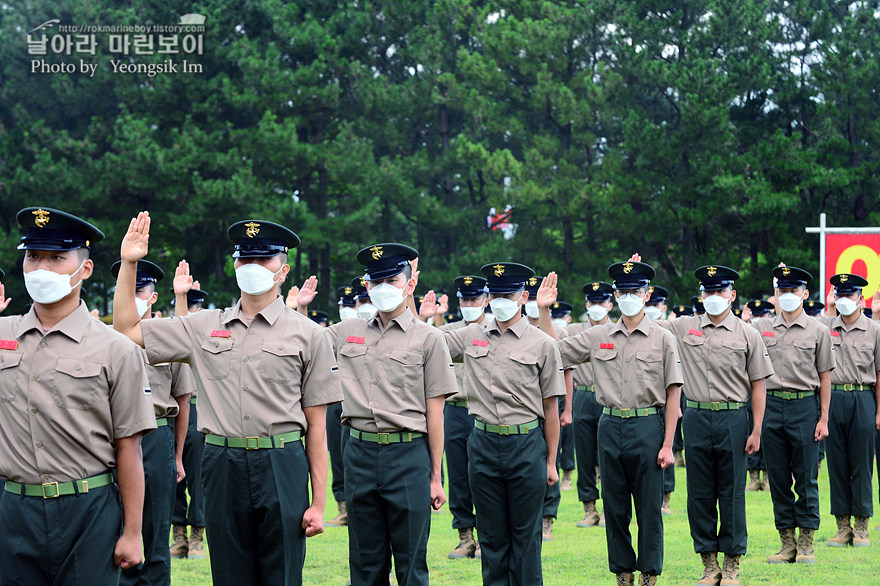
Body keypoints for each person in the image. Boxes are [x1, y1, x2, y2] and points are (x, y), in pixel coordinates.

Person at [113, 212, 342, 586]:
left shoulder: (310, 335)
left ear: (282, 271)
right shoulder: (204, 326)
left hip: (281, 462)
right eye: (244, 258)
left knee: (282, 575)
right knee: (229, 575)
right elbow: (127, 328)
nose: (251, 266)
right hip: (221, 461)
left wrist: (318, 502)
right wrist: (129, 262)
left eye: (263, 258)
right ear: (234, 265)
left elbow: (316, 427)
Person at [0, 206, 155, 584]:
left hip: (88, 510)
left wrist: (132, 533)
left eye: (56, 258)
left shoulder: (116, 349)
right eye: (33, 256)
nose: (41, 269)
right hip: (14, 510)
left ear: (83, 269)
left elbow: (130, 448)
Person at [298, 243, 455, 586]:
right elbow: (302, 345)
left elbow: (435, 414)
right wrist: (300, 309)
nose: (384, 288)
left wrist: (435, 476)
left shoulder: (429, 340)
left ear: (410, 284)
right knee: (365, 563)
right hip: (359, 452)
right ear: (366, 286)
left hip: (408, 454)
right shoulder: (346, 331)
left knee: (411, 564)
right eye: (376, 280)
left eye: (393, 279)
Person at [545, 260, 683, 586]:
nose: (628, 297)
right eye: (623, 291)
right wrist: (543, 313)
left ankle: (649, 573)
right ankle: (623, 573)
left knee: (649, 509)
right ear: (615, 295)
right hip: (609, 426)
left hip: (648, 426)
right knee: (615, 507)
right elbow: (551, 351)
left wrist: (667, 445)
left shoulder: (662, 338)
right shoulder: (598, 335)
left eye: (635, 291)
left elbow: (674, 391)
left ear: (647, 294)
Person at [439, 262, 563, 585]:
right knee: (492, 540)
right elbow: (427, 342)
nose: (500, 300)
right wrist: (408, 295)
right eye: (495, 293)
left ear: (523, 296)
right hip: (482, 445)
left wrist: (551, 461)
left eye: (507, 293)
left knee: (525, 542)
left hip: (525, 444)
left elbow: (551, 407)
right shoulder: (472, 335)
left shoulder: (542, 344)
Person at [656, 265, 772, 586]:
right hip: (694, 417)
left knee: (732, 492)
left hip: (734, 418)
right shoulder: (683, 327)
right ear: (701, 295)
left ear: (732, 295)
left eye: (720, 291)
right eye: (707, 291)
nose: (713, 297)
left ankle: (732, 564)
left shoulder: (748, 334)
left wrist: (756, 429)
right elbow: (649, 325)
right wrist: (639, 287)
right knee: (700, 493)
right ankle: (709, 564)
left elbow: (759, 385)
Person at [111, 259, 195, 586]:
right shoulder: (108, 339)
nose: (133, 296)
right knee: (116, 527)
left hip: (157, 435)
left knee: (156, 529)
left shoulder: (168, 338)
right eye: (128, 290)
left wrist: (176, 455)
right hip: (116, 440)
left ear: (153, 296)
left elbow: (183, 401)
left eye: (140, 290)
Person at [750, 266, 834, 565]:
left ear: (805, 294)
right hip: (772, 406)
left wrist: (823, 418)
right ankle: (786, 542)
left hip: (804, 407)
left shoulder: (818, 331)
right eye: (782, 290)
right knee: (779, 478)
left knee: (806, 478)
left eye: (793, 290)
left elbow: (825, 378)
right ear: (775, 294)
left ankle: (807, 543)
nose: (787, 296)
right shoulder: (762, 330)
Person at [818, 274, 880, 547]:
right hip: (834, 399)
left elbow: (879, 373)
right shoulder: (826, 326)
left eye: (849, 295)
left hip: (863, 397)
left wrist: (879, 412)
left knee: (862, 463)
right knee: (837, 463)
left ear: (860, 299)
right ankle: (842, 525)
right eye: (839, 295)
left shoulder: (874, 330)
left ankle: (862, 525)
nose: (844, 301)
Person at [439, 275, 488, 559]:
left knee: (483, 476)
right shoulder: (449, 332)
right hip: (455, 411)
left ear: (486, 300)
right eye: (465, 299)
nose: (470, 304)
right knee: (458, 476)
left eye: (474, 299)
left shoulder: (494, 331)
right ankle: (465, 536)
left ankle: (485, 537)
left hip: (484, 412)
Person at [524, 277, 572, 540]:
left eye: (537, 298)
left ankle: (547, 518)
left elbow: (565, 373)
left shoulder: (557, 332)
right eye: (529, 297)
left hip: (551, 404)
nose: (533, 302)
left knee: (550, 460)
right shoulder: (514, 328)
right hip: (526, 409)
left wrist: (567, 409)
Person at [568, 281, 614, 528]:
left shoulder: (617, 329)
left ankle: (609, 507)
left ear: (610, 304)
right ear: (587, 304)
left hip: (609, 397)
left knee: (609, 456)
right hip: (583, 395)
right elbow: (551, 343)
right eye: (592, 302)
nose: (597, 306)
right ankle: (589, 508)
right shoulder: (575, 329)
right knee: (584, 456)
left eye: (601, 302)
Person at [170, 284, 210, 559]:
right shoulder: (174, 329)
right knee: (172, 476)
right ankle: (178, 532)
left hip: (197, 408)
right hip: (172, 411)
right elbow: (180, 327)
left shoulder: (206, 332)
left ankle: (198, 532)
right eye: (188, 304)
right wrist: (180, 297)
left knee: (196, 476)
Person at [324, 284, 360, 529]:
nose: (348, 309)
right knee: (336, 456)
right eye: (344, 306)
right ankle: (342, 506)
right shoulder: (336, 332)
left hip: (355, 403)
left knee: (352, 455)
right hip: (333, 400)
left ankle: (356, 505)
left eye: (352, 304)